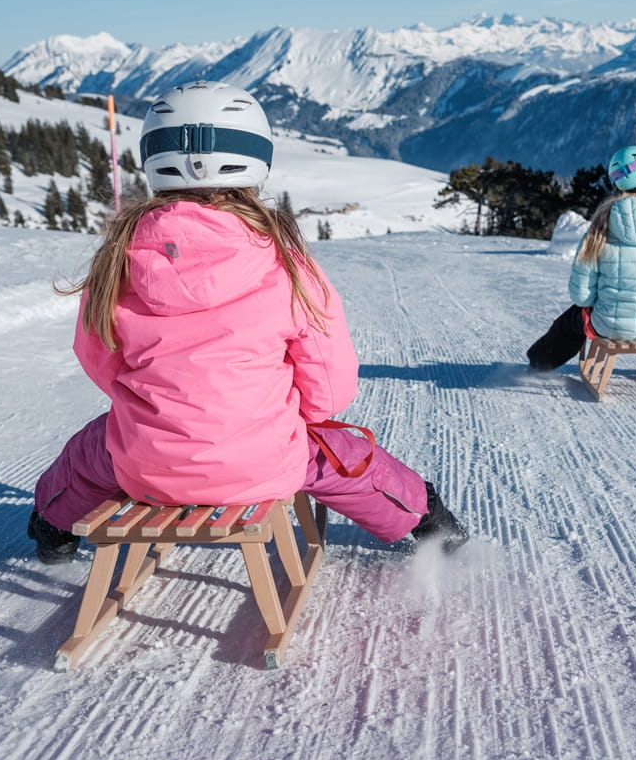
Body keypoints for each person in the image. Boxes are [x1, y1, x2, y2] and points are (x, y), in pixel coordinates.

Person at [27, 81, 465, 563]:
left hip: (145, 464)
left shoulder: (118, 259)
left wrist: (157, 402)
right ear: (255, 156)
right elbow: (329, 384)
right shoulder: (285, 261)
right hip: (266, 460)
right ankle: (428, 521)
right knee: (345, 458)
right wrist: (293, 413)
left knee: (90, 450)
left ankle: (51, 532)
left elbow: (99, 361)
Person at [525, 145, 636, 371]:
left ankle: (539, 363)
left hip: (609, 326)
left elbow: (581, 296)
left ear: (616, 178)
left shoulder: (598, 230)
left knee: (571, 321)